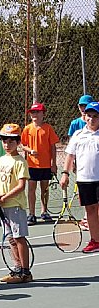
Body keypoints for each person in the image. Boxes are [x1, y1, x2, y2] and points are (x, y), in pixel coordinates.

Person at [0, 123, 32, 283]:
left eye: (11, 141)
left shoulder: (20, 162)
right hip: (3, 206)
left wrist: (4, 197)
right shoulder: (1, 160)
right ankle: (17, 268)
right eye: (4, 141)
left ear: (18, 142)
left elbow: (21, 186)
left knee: (19, 237)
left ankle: (25, 272)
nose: (7, 144)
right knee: (10, 239)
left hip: (15, 206)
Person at [61, 101, 99, 253]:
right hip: (84, 179)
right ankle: (95, 240)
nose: (91, 119)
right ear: (84, 117)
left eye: (95, 116)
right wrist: (65, 173)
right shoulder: (78, 135)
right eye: (89, 116)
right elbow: (70, 156)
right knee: (90, 210)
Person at [21, 102, 59, 224]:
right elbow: (23, 145)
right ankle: (31, 214)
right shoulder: (27, 129)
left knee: (45, 189)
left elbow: (53, 147)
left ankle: (44, 211)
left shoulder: (48, 128)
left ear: (43, 114)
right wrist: (30, 151)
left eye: (37, 112)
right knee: (31, 189)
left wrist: (53, 163)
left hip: (46, 165)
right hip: (32, 165)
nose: (35, 114)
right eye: (33, 112)